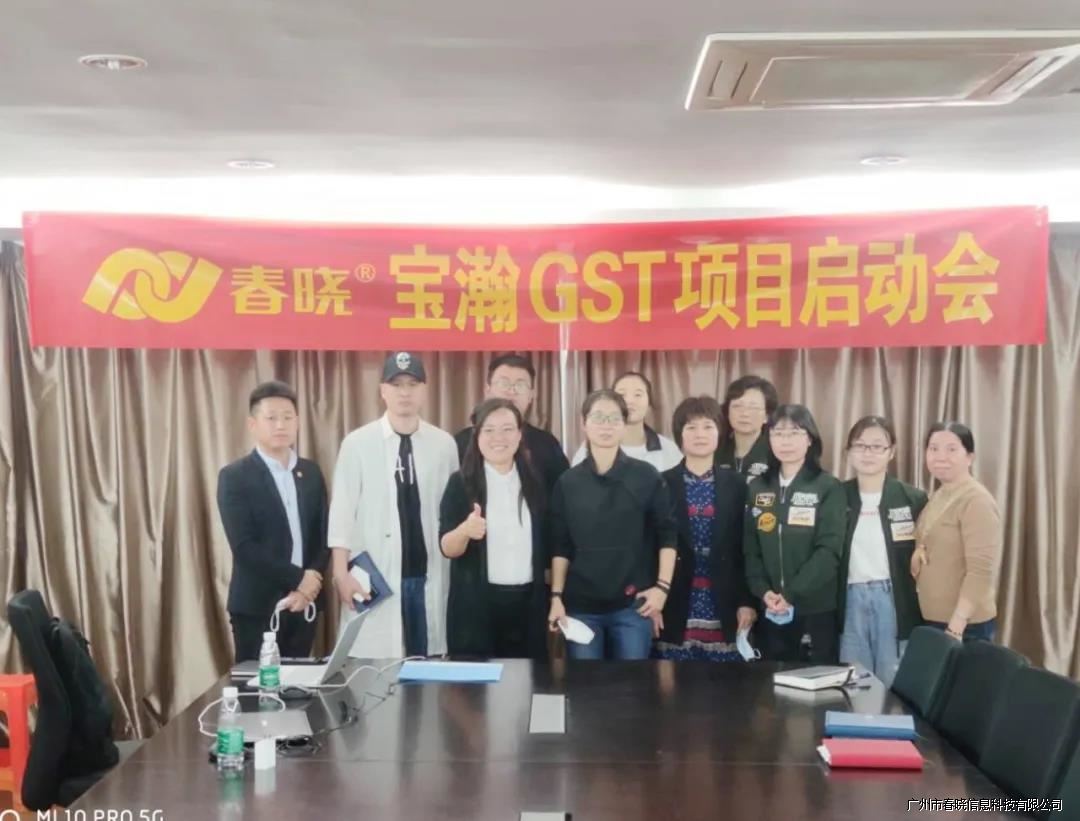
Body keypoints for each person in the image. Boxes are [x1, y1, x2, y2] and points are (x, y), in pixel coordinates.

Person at [327, 352, 459, 658]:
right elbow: (342, 512)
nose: (404, 392)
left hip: (427, 571)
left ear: (424, 390)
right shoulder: (357, 443)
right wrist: (340, 574)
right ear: (382, 391)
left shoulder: (444, 444)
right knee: (377, 665)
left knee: (427, 661)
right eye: (396, 384)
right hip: (377, 572)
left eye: (412, 384)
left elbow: (453, 509)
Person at [548, 390, 677, 660]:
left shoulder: (646, 476)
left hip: (633, 606)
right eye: (598, 417)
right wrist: (556, 596)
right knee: (584, 683)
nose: (606, 425)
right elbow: (560, 545)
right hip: (581, 607)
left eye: (614, 418)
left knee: (631, 683)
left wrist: (662, 589)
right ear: (584, 423)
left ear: (624, 424)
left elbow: (667, 535)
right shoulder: (568, 482)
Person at [216, 381, 329, 663]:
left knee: (299, 683)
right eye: (271, 418)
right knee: (256, 685)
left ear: (298, 422)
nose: (281, 425)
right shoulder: (235, 476)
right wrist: (298, 579)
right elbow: (244, 547)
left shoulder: (311, 472)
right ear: (252, 424)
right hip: (257, 606)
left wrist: (309, 584)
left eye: (288, 417)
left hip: (305, 603)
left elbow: (324, 535)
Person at [439, 398, 548, 659]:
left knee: (527, 680)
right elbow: (447, 548)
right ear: (477, 436)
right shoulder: (461, 483)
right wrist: (465, 530)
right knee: (479, 682)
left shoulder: (534, 482)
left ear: (519, 435)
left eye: (507, 429)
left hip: (527, 607)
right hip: (476, 608)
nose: (498, 438)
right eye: (489, 430)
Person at [655, 397, 756, 662]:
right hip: (676, 600)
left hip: (724, 599)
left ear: (719, 432)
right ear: (679, 435)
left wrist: (746, 601)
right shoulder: (661, 483)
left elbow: (746, 548)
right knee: (674, 683)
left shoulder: (738, 485)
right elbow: (651, 546)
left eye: (708, 426)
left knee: (724, 683)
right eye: (691, 427)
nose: (700, 434)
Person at [743, 404, 845, 664]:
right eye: (778, 433)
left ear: (810, 439)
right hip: (770, 608)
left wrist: (791, 594)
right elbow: (750, 549)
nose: (785, 441)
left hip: (815, 608)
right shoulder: (757, 487)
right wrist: (763, 591)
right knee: (771, 681)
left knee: (817, 681)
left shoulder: (827, 486)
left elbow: (829, 551)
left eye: (794, 433)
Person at [837, 416, 928, 687]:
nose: (868, 453)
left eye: (877, 446)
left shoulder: (912, 498)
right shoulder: (836, 496)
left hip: (894, 598)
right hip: (849, 597)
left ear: (892, 452)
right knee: (855, 681)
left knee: (893, 679)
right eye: (860, 445)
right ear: (849, 452)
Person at [911, 422, 1002, 642]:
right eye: (933, 449)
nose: (940, 457)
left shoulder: (976, 501)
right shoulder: (940, 495)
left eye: (951, 449)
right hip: (935, 618)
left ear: (969, 457)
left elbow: (980, 571)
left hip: (965, 625)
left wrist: (956, 626)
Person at [453, 354, 570, 495]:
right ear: (487, 390)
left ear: (531, 395)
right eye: (504, 383)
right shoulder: (461, 442)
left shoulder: (547, 444)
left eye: (520, 385)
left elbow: (562, 496)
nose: (511, 391)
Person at [570, 371, 682, 472]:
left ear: (649, 404)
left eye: (638, 394)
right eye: (622, 394)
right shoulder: (589, 448)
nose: (630, 401)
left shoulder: (668, 449)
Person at [716, 375, 779, 482]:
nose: (744, 413)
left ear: (766, 416)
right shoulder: (715, 451)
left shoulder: (777, 453)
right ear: (727, 412)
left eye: (753, 407)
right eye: (737, 406)